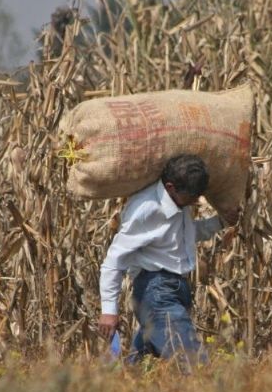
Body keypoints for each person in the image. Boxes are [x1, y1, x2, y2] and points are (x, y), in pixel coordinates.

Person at [97, 154, 239, 366]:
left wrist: (220, 222)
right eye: (191, 196)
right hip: (157, 293)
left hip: (176, 290)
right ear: (171, 187)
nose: (195, 201)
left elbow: (186, 236)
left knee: (137, 370)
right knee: (194, 364)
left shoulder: (180, 203)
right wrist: (109, 311)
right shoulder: (145, 210)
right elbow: (114, 260)